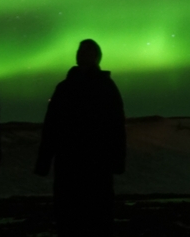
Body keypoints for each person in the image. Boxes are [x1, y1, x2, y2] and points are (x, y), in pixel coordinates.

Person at [35, 39, 126, 237]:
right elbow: (52, 126)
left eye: (87, 51)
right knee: (69, 217)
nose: (82, 54)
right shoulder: (65, 88)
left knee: (95, 217)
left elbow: (116, 126)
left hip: (95, 163)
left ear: (96, 57)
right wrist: (44, 160)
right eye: (80, 51)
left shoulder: (105, 87)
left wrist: (116, 160)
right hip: (71, 163)